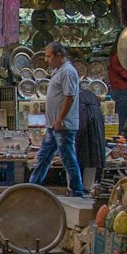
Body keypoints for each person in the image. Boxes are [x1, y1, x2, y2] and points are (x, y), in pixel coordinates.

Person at [28, 42, 85, 197]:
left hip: (63, 126)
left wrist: (60, 119)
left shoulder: (68, 72)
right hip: (54, 126)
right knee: (44, 157)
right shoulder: (59, 71)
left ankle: (77, 190)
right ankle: (32, 186)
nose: (46, 60)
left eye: (48, 56)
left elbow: (69, 97)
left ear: (59, 55)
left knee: (68, 158)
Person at [108, 38, 127, 133]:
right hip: (121, 89)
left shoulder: (113, 56)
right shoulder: (118, 56)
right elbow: (124, 73)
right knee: (120, 119)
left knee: (117, 119)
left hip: (117, 89)